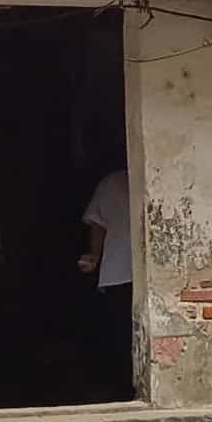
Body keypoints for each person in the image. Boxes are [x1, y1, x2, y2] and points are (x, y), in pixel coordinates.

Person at [78, 167, 132, 398]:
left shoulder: (109, 182)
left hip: (118, 273)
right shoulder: (113, 183)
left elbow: (96, 223)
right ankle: (123, 388)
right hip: (125, 270)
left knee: (119, 336)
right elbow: (98, 223)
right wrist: (95, 256)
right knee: (123, 336)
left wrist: (94, 255)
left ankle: (120, 388)